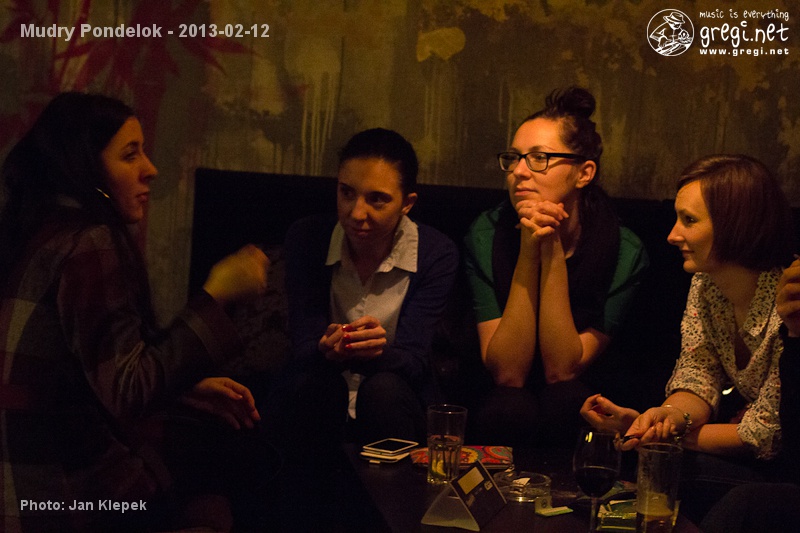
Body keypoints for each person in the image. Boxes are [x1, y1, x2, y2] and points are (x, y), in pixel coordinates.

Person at [0, 92, 274, 532]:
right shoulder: (88, 243)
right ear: (85, 167)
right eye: (130, 155)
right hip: (65, 500)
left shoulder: (36, 234)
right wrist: (217, 292)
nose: (151, 169)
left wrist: (181, 388)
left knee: (215, 442)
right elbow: (128, 391)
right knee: (239, 453)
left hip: (22, 492)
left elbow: (76, 374)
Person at [581, 154, 795, 522]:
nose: (672, 235)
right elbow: (698, 373)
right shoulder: (706, 284)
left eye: (689, 220)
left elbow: (767, 433)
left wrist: (657, 434)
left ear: (736, 224)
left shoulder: (789, 296)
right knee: (649, 461)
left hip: (788, 465)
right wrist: (665, 417)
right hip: (754, 453)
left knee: (668, 464)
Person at [463, 87, 648, 446]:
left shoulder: (623, 249)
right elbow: (508, 373)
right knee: (508, 407)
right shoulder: (486, 234)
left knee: (568, 401)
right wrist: (528, 250)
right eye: (514, 158)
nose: (519, 172)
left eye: (539, 158)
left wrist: (551, 248)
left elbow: (562, 370)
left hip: (577, 390)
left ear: (584, 173)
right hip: (498, 394)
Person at [281, 128, 458, 446]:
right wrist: (325, 348)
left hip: (395, 399)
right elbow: (303, 345)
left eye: (376, 199)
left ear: (407, 203)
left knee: (383, 391)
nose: (356, 212)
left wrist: (377, 352)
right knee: (315, 386)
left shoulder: (435, 253)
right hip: (320, 387)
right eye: (347, 193)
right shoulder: (307, 238)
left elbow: (415, 361)